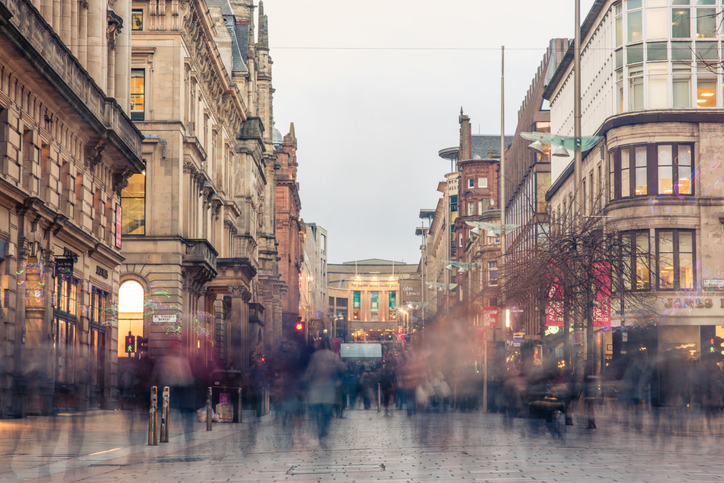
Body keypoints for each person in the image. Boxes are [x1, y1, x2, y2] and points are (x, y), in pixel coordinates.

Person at [303, 339, 346, 442]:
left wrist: (305, 382)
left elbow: (310, 370)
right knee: (327, 412)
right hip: (328, 387)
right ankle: (324, 430)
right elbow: (342, 367)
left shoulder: (315, 355)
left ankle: (318, 428)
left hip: (316, 386)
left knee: (315, 410)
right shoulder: (332, 355)